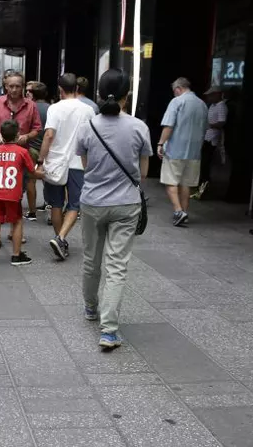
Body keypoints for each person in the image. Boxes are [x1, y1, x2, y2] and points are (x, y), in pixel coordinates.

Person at [77, 69, 152, 349]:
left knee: (90, 259)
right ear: (126, 96)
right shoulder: (138, 127)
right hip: (126, 203)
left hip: (92, 201)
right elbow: (142, 172)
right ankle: (108, 330)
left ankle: (90, 308)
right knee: (117, 266)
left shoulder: (88, 126)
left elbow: (85, 166)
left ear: (98, 93)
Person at [38, 73, 95, 261]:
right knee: (74, 204)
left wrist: (40, 160)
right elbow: (91, 139)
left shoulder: (54, 109)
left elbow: (48, 136)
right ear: (77, 89)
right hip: (78, 163)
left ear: (60, 90)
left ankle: (59, 238)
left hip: (55, 162)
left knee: (55, 203)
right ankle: (60, 237)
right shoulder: (87, 110)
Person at [0, 72, 42, 250]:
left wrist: (26, 136)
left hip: (20, 156)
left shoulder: (31, 105)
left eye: (18, 86)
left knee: (18, 193)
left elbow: (37, 129)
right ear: (5, 86)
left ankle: (14, 229)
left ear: (23, 87)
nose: (14, 89)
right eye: (11, 86)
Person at [0, 120, 43, 268]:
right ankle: (16, 254)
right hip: (12, 193)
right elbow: (32, 171)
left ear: (2, 135)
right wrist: (44, 174)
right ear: (17, 135)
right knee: (17, 221)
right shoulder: (22, 152)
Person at [158, 77, 208, 226]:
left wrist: (161, 143)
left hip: (175, 149)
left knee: (170, 181)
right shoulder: (202, 104)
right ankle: (184, 211)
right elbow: (206, 128)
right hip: (194, 152)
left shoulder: (177, 102)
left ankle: (178, 210)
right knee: (186, 183)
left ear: (178, 89)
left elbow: (168, 125)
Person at [193, 86, 228, 200]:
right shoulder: (211, 106)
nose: (209, 97)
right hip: (205, 138)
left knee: (205, 166)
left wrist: (209, 125)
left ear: (218, 94)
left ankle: (203, 190)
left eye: (211, 95)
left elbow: (222, 122)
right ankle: (200, 189)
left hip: (212, 140)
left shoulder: (221, 106)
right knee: (202, 166)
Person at [24, 81, 50, 222]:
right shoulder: (52, 108)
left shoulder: (29, 107)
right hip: (48, 148)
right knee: (51, 179)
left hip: (32, 147)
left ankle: (32, 211)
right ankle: (50, 206)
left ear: (33, 94)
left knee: (30, 180)